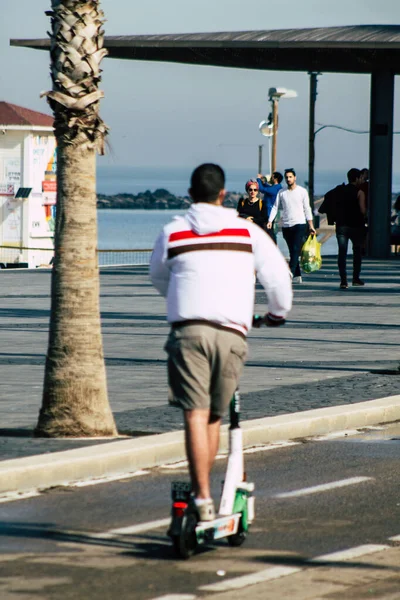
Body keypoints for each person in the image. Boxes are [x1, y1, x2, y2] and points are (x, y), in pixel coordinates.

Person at [150, 163, 292, 522]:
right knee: (215, 414)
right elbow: (278, 282)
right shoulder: (247, 233)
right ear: (224, 195)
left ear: (190, 194)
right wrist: (273, 316)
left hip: (188, 331)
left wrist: (183, 300)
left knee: (194, 414)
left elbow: (159, 276)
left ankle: (201, 498)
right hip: (232, 333)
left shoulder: (173, 231)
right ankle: (210, 494)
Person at [267, 168, 316, 283]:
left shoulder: (302, 191)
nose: (288, 179)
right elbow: (275, 207)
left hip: (299, 224)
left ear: (295, 178)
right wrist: (270, 221)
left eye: (290, 177)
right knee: (292, 250)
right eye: (287, 177)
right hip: (286, 225)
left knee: (295, 249)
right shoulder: (282, 192)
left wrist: (311, 225)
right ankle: (297, 275)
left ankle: (290, 273)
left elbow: (307, 209)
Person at [333, 168, 367, 289]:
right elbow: (363, 210)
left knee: (342, 253)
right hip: (356, 226)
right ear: (357, 178)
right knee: (357, 252)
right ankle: (355, 278)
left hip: (341, 226)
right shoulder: (359, 192)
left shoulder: (340, 190)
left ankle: (343, 281)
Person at [256, 171, 284, 243]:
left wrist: (258, 179)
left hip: (268, 212)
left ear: (275, 178)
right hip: (268, 211)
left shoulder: (275, 189)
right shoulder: (277, 187)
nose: (271, 178)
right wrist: (263, 182)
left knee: (268, 229)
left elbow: (262, 189)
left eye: (272, 177)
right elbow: (268, 187)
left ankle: (272, 243)